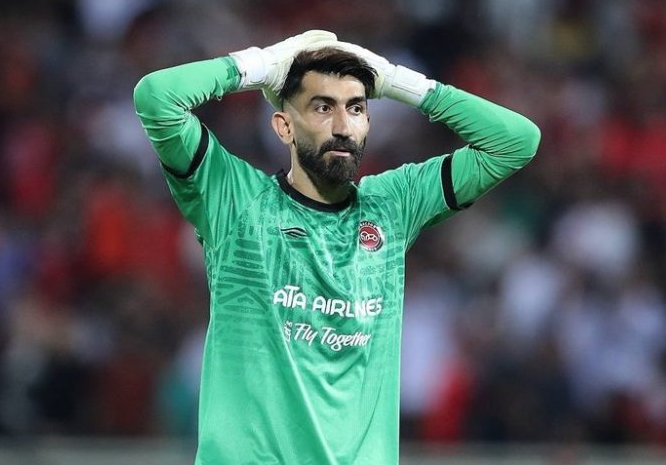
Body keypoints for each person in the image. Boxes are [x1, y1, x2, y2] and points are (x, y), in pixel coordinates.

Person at [133, 30, 540, 464]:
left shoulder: (392, 205)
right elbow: (156, 98)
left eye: (357, 108)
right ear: (284, 126)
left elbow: (517, 141)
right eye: (323, 107)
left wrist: (397, 82)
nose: (344, 127)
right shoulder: (235, 200)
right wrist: (259, 64)